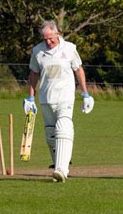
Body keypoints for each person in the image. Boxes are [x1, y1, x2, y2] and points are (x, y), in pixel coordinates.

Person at [24, 20, 94, 183]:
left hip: (65, 97)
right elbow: (34, 73)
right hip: (46, 99)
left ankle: (61, 170)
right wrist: (30, 97)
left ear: (57, 34)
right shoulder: (38, 51)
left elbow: (78, 69)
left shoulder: (69, 48)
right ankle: (57, 164)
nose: (48, 42)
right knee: (50, 134)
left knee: (63, 127)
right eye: (45, 39)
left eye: (51, 38)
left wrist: (85, 94)